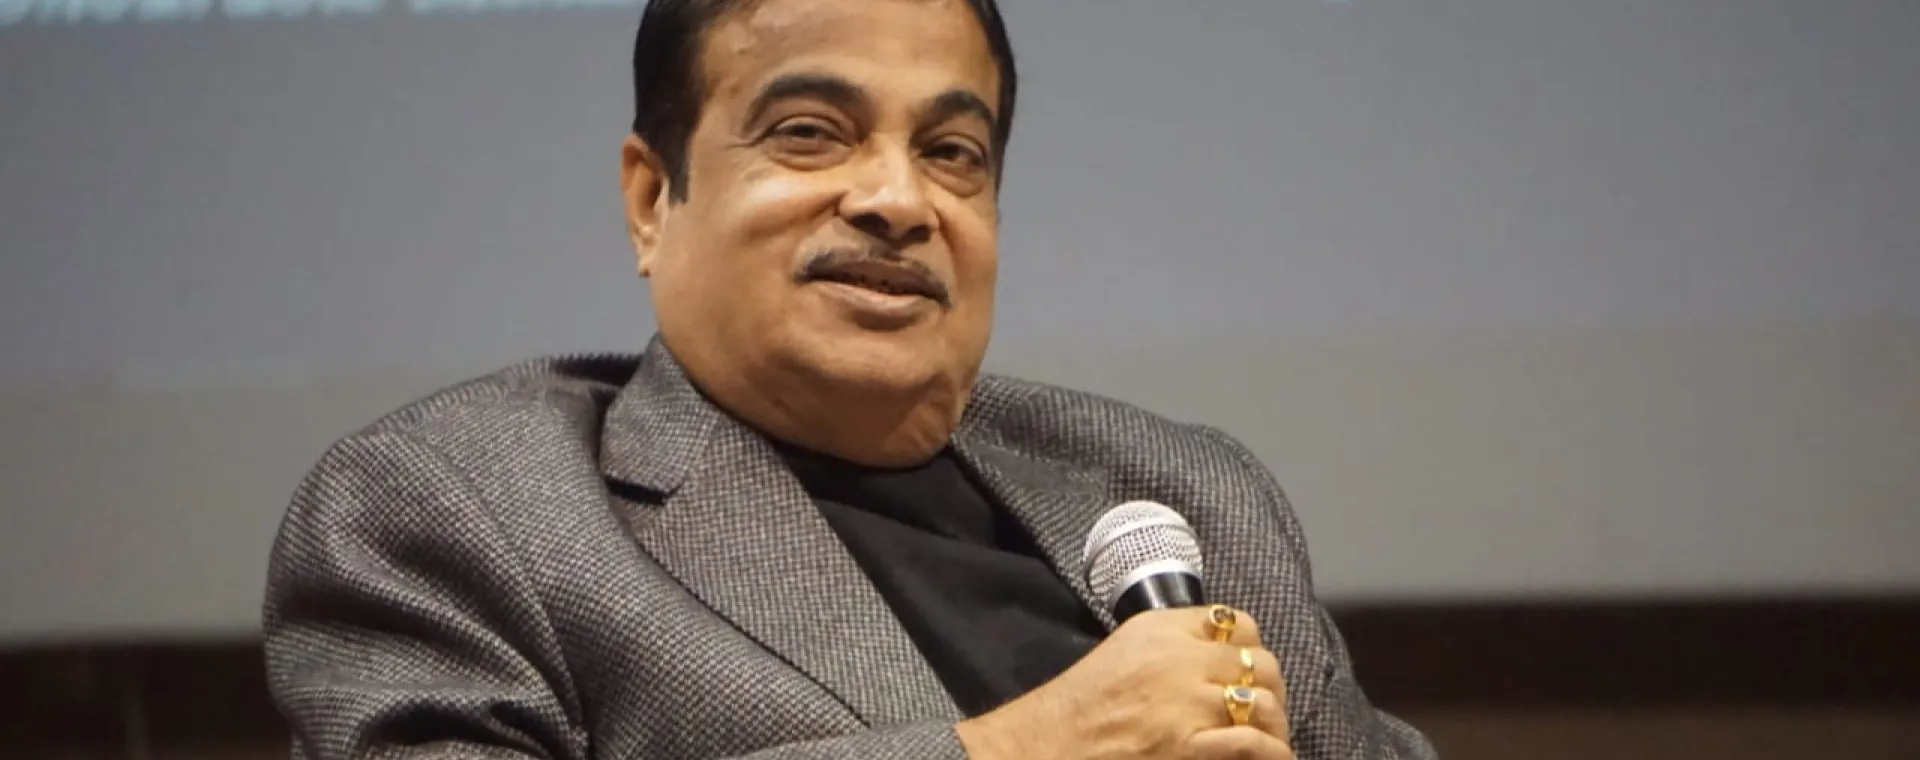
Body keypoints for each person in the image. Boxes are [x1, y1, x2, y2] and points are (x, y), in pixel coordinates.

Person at [261, 0, 1438, 758]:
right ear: (652, 198)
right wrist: (1016, 751)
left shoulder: (1181, 489)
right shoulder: (459, 509)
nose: (896, 199)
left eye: (951, 152)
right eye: (811, 132)